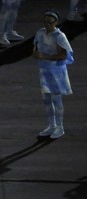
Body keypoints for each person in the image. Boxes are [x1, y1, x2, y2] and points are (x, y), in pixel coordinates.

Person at [34, 10, 74, 140]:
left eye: (50, 22)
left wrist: (44, 56)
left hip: (57, 72)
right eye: (45, 22)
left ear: (55, 22)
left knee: (57, 100)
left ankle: (60, 127)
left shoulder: (59, 36)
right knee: (46, 99)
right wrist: (36, 54)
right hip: (44, 70)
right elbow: (35, 48)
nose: (47, 25)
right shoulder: (40, 32)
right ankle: (51, 125)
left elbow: (63, 55)